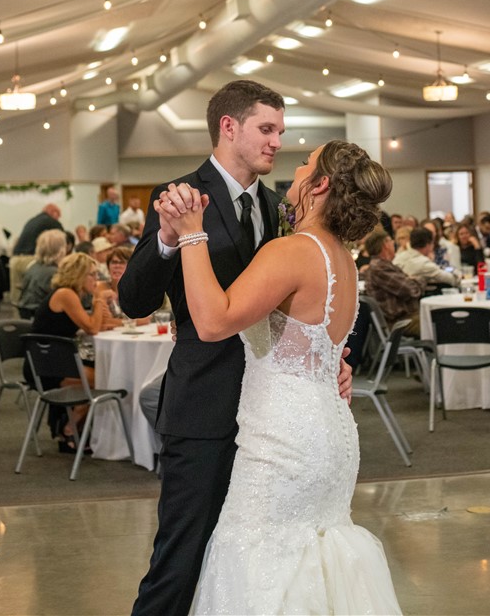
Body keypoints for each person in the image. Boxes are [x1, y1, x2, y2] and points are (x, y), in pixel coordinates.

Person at [118, 80, 353, 616]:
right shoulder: (180, 195)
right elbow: (133, 301)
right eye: (266, 129)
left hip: (273, 422)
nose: (277, 142)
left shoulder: (281, 209)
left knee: (248, 564)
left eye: (281, 132)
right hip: (206, 406)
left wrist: (331, 357)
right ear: (230, 127)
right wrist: (167, 238)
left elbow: (308, 299)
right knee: (180, 560)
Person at [156, 139, 401, 615]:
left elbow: (212, 322)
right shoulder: (343, 260)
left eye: (306, 164)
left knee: (261, 565)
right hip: (329, 434)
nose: (296, 168)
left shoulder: (291, 251)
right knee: (314, 563)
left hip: (283, 441)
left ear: (321, 184)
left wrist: (191, 232)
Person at [24, 251, 116, 449]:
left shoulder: (70, 294)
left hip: (54, 360)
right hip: (44, 366)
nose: (96, 279)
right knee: (104, 379)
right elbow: (92, 327)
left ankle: (76, 428)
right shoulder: (65, 294)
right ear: (79, 274)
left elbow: (95, 324)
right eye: (93, 274)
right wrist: (99, 299)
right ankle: (70, 428)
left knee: (102, 375)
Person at [362, 227, 426, 336]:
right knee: (436, 322)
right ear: (385, 245)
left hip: (405, 317)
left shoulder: (384, 265)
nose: (393, 244)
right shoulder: (380, 268)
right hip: (400, 322)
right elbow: (412, 290)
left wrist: (413, 281)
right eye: (391, 241)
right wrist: (419, 280)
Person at [9, 203, 64, 303]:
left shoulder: (32, 220)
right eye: (58, 215)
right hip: (30, 260)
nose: (58, 218)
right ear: (53, 212)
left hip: (15, 259)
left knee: (17, 296)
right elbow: (61, 241)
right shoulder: (52, 222)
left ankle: (16, 318)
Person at [17, 228, 67, 319]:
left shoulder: (32, 267)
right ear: (61, 250)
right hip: (45, 319)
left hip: (28, 316)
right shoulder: (54, 273)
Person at [394, 226, 461, 290]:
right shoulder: (424, 263)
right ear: (428, 244)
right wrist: (457, 274)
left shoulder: (399, 257)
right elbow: (452, 280)